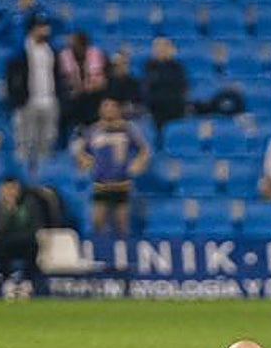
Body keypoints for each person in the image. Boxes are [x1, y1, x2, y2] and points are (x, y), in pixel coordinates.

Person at [72, 97, 151, 236]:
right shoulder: (93, 131)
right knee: (97, 222)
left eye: (112, 106)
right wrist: (85, 161)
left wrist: (137, 164)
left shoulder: (128, 130)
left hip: (122, 184)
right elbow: (79, 150)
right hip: (100, 185)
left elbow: (143, 150)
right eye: (105, 106)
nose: (109, 109)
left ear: (118, 109)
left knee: (121, 224)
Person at [6, 15, 61, 172]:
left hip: (49, 101)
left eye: (45, 26)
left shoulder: (51, 51)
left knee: (47, 142)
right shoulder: (20, 51)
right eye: (41, 26)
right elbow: (12, 78)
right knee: (25, 142)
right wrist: (17, 100)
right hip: (28, 102)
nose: (45, 30)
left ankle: (42, 179)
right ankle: (23, 177)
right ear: (33, 29)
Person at [0, 176, 42, 299]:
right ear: (1, 190)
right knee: (0, 245)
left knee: (33, 244)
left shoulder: (29, 204)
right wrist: (9, 211)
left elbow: (36, 226)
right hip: (5, 242)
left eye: (13, 188)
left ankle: (26, 282)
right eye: (7, 189)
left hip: (25, 240)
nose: (11, 192)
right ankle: (7, 282)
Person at [58, 30, 107, 134]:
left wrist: (87, 86)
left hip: (93, 100)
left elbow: (101, 81)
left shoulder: (97, 54)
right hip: (71, 101)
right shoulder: (64, 55)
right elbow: (65, 80)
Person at [143, 38, 188, 132]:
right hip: (155, 110)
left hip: (175, 109)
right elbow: (147, 88)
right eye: (157, 46)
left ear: (170, 49)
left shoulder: (178, 67)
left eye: (164, 46)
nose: (160, 49)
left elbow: (182, 88)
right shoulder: (149, 66)